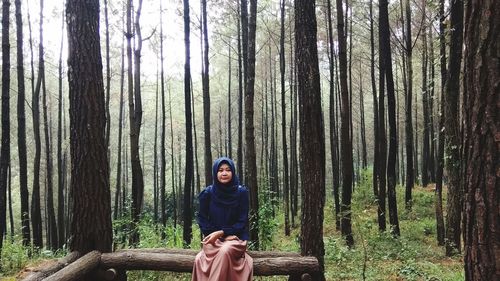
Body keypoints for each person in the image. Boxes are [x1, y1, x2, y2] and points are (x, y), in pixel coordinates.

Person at [192, 157, 253, 281]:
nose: (224, 173)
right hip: (213, 240)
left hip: (236, 239)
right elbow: (202, 220)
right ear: (215, 173)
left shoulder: (241, 193)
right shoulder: (207, 193)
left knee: (225, 251)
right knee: (199, 259)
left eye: (228, 170)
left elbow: (242, 222)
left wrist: (223, 232)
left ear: (233, 172)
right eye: (220, 170)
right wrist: (220, 236)